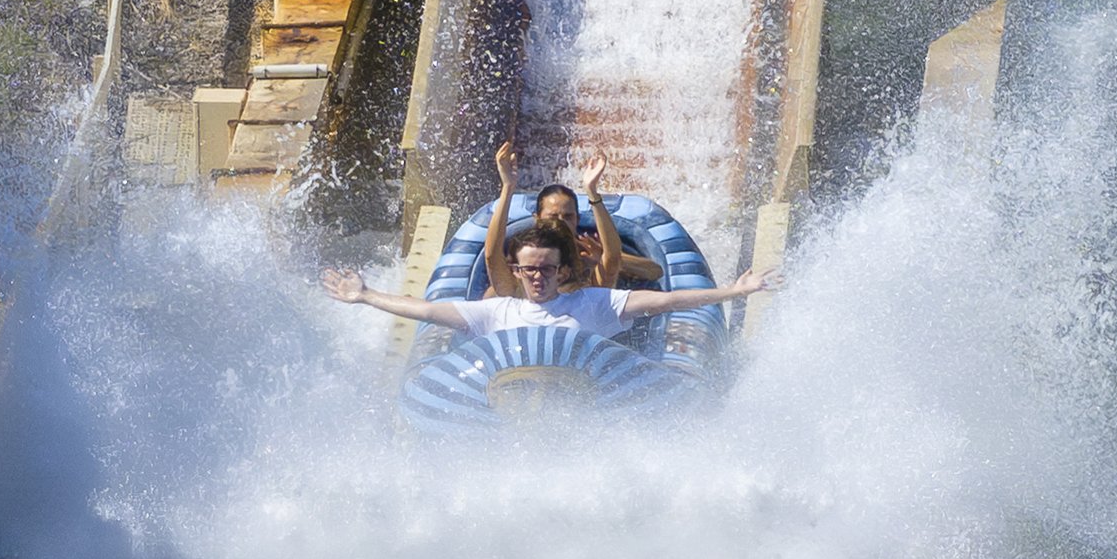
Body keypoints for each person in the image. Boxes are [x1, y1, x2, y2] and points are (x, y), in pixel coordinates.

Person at [323, 224, 780, 338]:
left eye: (545, 268)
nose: (537, 277)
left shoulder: (597, 304)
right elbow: (423, 309)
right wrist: (363, 296)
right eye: (528, 269)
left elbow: (668, 301)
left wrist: (736, 291)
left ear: (561, 271)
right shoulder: (496, 313)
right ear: (517, 273)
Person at [483, 140, 665, 299]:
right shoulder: (522, 257)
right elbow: (492, 257)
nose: (560, 222)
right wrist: (507, 187)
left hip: (578, 321)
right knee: (493, 294)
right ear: (537, 219)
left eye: (567, 216)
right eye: (553, 216)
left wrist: (592, 192)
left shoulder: (586, 259)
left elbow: (619, 261)